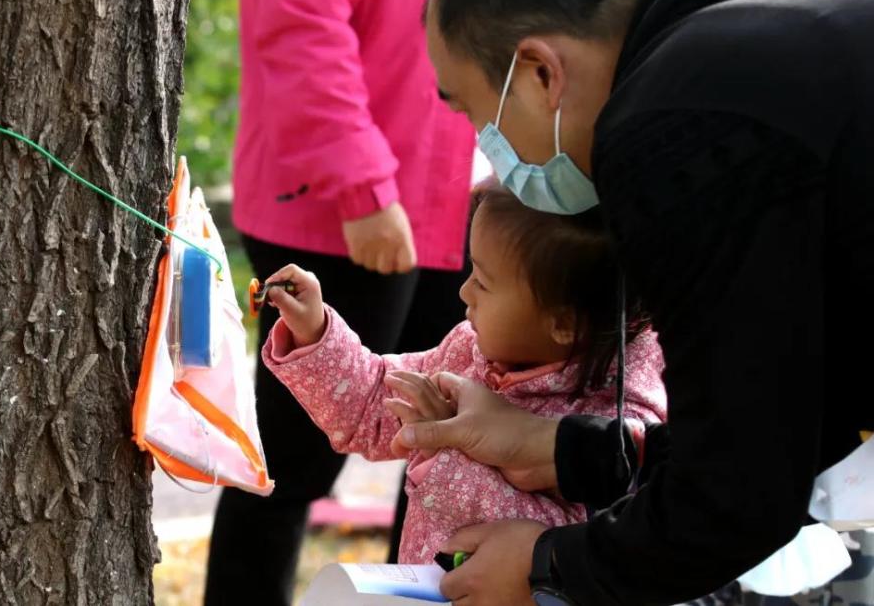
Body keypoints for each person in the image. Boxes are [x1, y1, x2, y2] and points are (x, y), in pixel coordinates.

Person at [388, 0, 874, 604]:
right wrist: (560, 449)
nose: (489, 148)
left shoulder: (674, 130)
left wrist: (545, 564)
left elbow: (736, 495)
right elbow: (778, 421)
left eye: (476, 113)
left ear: (538, 72)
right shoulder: (732, 18)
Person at [204, 0, 476, 604]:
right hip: (339, 213)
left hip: (454, 204)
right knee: (289, 473)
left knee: (449, 463)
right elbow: (301, 26)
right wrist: (362, 186)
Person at [257, 186, 666, 564]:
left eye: (483, 283)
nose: (463, 292)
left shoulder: (614, 431)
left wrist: (443, 451)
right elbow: (372, 405)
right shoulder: (470, 351)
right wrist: (315, 333)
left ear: (564, 324)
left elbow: (557, 545)